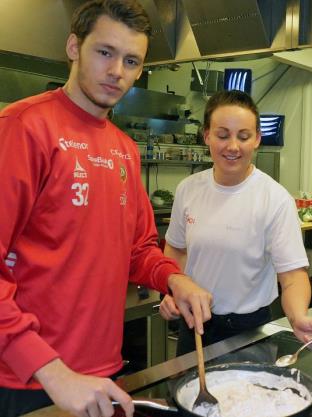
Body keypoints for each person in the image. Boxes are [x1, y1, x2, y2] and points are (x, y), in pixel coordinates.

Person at [0, 2, 214, 417]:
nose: (118, 70)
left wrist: (175, 279)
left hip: (101, 371)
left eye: (131, 60)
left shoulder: (123, 149)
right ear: (74, 47)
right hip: (31, 378)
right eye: (105, 52)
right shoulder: (23, 128)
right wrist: (49, 369)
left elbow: (137, 248)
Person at [158, 90, 312, 355]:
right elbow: (176, 250)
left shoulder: (274, 199)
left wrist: (298, 318)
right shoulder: (188, 189)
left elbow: (293, 276)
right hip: (193, 325)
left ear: (257, 140)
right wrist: (171, 291)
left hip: (248, 331)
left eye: (243, 136)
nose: (233, 146)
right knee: (188, 394)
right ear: (207, 135)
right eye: (222, 134)